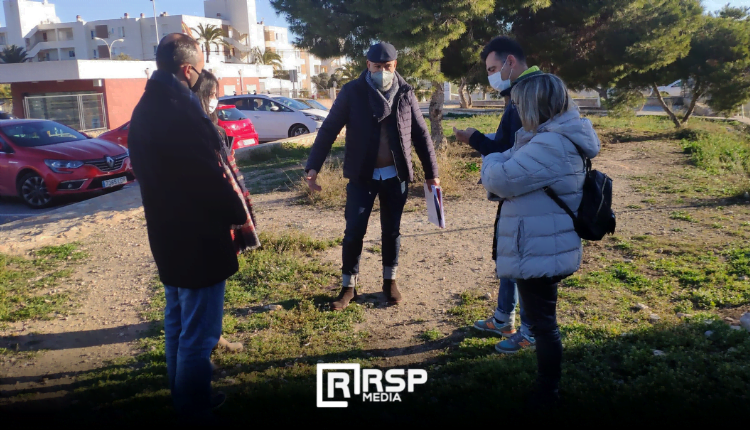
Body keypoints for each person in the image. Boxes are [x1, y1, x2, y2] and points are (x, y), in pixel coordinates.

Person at [128, 33, 248, 420]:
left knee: (178, 323)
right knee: (200, 333)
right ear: (186, 70)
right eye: (199, 68)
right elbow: (206, 177)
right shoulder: (180, 111)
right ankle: (193, 407)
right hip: (197, 238)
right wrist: (236, 210)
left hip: (167, 233)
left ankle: (183, 397)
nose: (200, 75)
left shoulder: (146, 106)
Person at [481, 73, 601, 408]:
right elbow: (513, 163)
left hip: (540, 246)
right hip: (543, 241)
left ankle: (548, 391)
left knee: (544, 325)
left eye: (519, 105)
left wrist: (489, 157)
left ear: (535, 105)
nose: (517, 111)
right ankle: (547, 387)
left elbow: (499, 179)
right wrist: (505, 155)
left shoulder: (551, 144)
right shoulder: (550, 137)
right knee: (541, 320)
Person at [305, 42, 440, 310]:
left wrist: (431, 174)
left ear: (395, 65)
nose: (382, 72)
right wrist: (313, 167)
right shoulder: (352, 92)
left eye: (387, 66)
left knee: (392, 231)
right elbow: (329, 128)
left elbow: (421, 134)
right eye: (377, 66)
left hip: (396, 176)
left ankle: (390, 282)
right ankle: (348, 287)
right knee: (354, 231)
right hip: (362, 176)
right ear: (368, 65)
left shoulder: (405, 92)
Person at [453, 36, 543, 354]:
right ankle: (504, 317)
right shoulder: (519, 93)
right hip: (518, 193)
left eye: (493, 69)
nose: (491, 76)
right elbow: (510, 142)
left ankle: (531, 331)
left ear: (511, 62)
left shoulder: (529, 95)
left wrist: (474, 139)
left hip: (529, 194)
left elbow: (511, 150)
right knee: (509, 255)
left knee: (524, 262)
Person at [195, 69, 261, 354]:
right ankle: (204, 341)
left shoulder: (215, 128)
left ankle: (213, 334)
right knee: (206, 282)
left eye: (216, 94)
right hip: (209, 215)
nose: (215, 99)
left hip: (222, 212)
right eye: (211, 94)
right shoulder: (196, 130)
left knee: (217, 280)